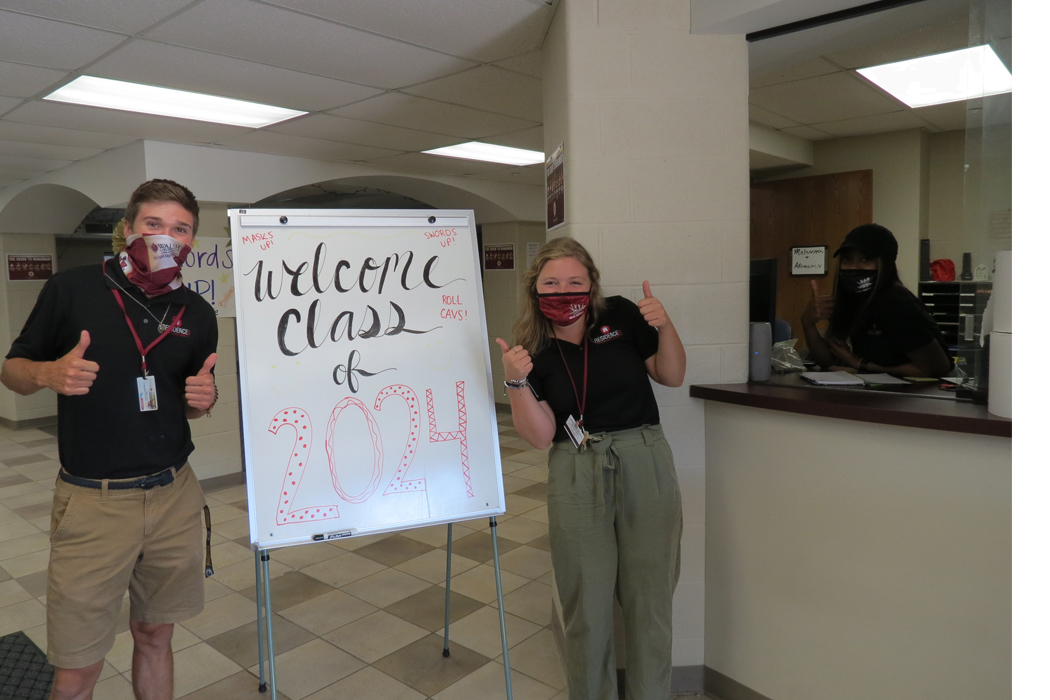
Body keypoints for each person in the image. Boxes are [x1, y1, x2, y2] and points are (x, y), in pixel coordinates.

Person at [1, 179, 219, 700]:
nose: (165, 237)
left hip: (173, 494)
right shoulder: (72, 288)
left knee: (156, 635)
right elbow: (12, 370)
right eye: (153, 224)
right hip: (93, 502)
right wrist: (47, 373)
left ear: (191, 241)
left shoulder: (196, 312)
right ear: (128, 229)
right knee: (77, 667)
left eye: (180, 229)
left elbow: (191, 401)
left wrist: (204, 398)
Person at [495, 237, 686, 700]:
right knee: (587, 604)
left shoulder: (621, 315)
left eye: (574, 281)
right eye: (551, 283)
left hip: (643, 456)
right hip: (575, 467)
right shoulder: (531, 348)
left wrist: (665, 326)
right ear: (534, 288)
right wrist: (515, 382)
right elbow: (541, 435)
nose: (563, 292)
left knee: (650, 599)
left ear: (592, 283)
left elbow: (672, 374)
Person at [802, 223, 952, 378]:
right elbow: (828, 359)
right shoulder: (853, 299)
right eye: (847, 259)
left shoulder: (895, 303)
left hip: (917, 391)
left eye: (866, 259)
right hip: (876, 388)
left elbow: (935, 369)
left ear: (886, 264)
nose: (854, 267)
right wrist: (808, 323)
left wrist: (860, 364)